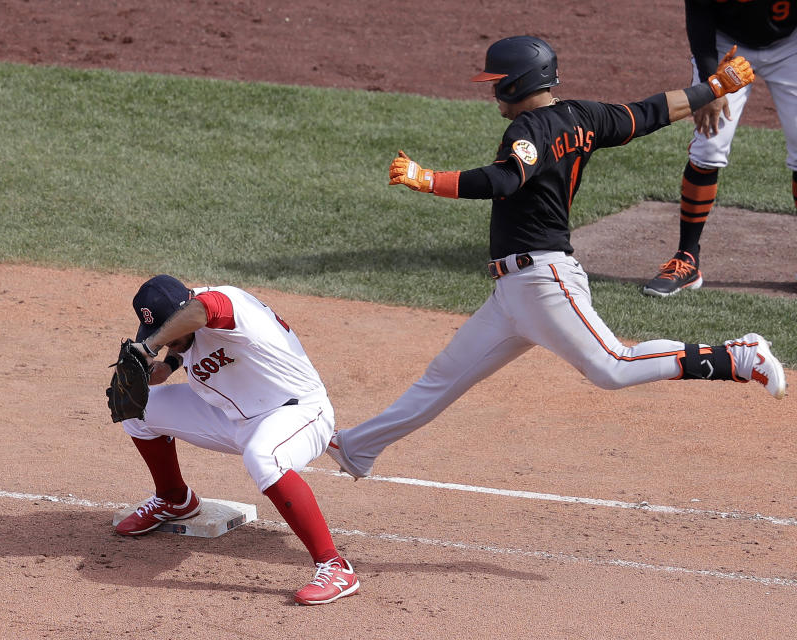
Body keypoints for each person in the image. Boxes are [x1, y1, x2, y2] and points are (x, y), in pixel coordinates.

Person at [325, 35, 786, 481]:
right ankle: (357, 447)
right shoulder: (583, 115)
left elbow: (505, 180)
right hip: (513, 294)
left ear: (517, 83)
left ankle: (739, 357)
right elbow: (649, 113)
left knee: (613, 366)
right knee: (441, 379)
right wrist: (716, 87)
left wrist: (428, 179)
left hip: (543, 281)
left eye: (497, 81)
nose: (492, 91)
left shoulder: (527, 129)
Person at [114, 274, 358, 605]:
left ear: (183, 308)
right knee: (137, 411)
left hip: (297, 412)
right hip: (234, 416)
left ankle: (334, 565)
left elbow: (204, 310)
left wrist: (153, 344)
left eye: (168, 332)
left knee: (263, 457)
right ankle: (175, 499)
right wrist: (167, 365)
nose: (168, 341)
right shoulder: (186, 327)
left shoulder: (230, 304)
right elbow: (188, 340)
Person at [643, 0, 797, 296]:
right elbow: (699, 15)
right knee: (709, 144)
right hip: (726, 42)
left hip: (790, 43)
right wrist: (710, 85)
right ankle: (686, 258)